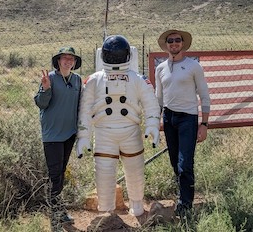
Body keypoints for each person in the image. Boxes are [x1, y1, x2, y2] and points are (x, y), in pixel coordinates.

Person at [76, 35, 161, 216]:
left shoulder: (137, 79)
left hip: (130, 131)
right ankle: (106, 210)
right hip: (103, 132)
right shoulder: (94, 80)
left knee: (135, 170)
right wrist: (83, 136)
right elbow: (84, 110)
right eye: (112, 55)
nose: (115, 58)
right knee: (104, 174)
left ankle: (137, 205)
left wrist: (152, 124)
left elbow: (151, 104)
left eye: (118, 55)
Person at [155, 29, 210, 219]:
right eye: (170, 41)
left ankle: (185, 205)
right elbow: (159, 98)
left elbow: (204, 95)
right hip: (170, 118)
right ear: (167, 44)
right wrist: (156, 121)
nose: (174, 43)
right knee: (174, 162)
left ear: (183, 43)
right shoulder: (160, 68)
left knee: (185, 163)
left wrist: (204, 123)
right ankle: (181, 195)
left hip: (188, 118)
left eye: (177, 40)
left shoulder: (194, 66)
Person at [34, 46, 82, 227]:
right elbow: (41, 104)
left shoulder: (77, 80)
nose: (68, 61)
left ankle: (59, 211)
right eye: (64, 58)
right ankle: (54, 219)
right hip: (52, 135)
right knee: (54, 176)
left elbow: (80, 105)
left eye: (71, 58)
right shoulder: (50, 78)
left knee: (60, 174)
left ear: (75, 62)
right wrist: (45, 89)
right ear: (58, 61)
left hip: (69, 133)